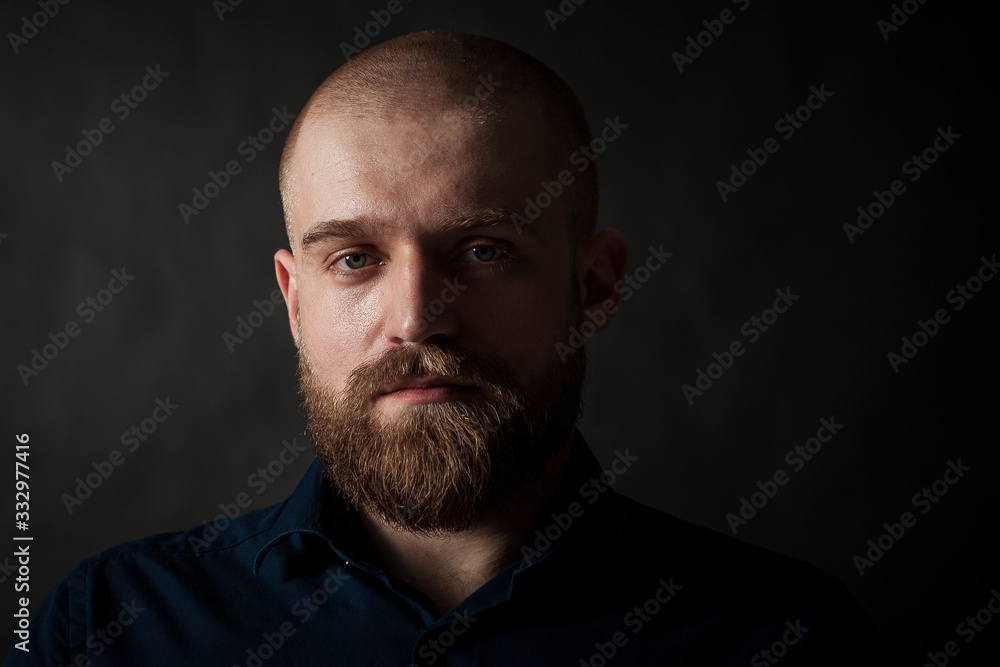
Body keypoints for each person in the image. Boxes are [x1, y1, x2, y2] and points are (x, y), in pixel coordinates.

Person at [6, 30, 896, 666]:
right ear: (293, 300)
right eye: (354, 259)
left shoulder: (788, 639)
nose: (418, 317)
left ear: (595, 285)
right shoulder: (108, 627)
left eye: (483, 250)